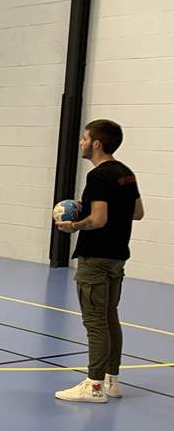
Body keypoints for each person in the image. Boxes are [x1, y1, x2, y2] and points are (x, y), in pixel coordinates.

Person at [54, 119, 144, 404]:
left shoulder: (97, 177)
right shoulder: (126, 173)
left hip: (96, 258)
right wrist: (90, 206)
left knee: (94, 322)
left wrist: (75, 225)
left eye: (83, 138)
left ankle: (93, 385)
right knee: (109, 318)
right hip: (118, 258)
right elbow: (137, 212)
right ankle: (111, 381)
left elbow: (99, 219)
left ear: (96, 144)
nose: (80, 143)